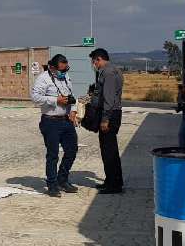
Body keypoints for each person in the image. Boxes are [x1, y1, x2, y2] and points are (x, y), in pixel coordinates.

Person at [31, 54, 79, 197]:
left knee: (72, 150)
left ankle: (62, 179)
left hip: (66, 120)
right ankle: (52, 185)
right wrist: (55, 100)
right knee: (53, 155)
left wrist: (73, 110)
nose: (64, 72)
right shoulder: (43, 79)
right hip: (50, 121)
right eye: (61, 70)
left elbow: (71, 96)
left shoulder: (65, 77)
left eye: (66, 69)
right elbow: (35, 98)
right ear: (52, 68)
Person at [89, 48, 124, 194]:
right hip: (113, 113)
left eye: (94, 61)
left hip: (110, 115)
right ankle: (111, 180)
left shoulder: (108, 73)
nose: (93, 64)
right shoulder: (115, 70)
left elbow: (109, 99)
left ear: (99, 59)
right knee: (109, 150)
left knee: (109, 151)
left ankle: (114, 185)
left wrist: (105, 119)